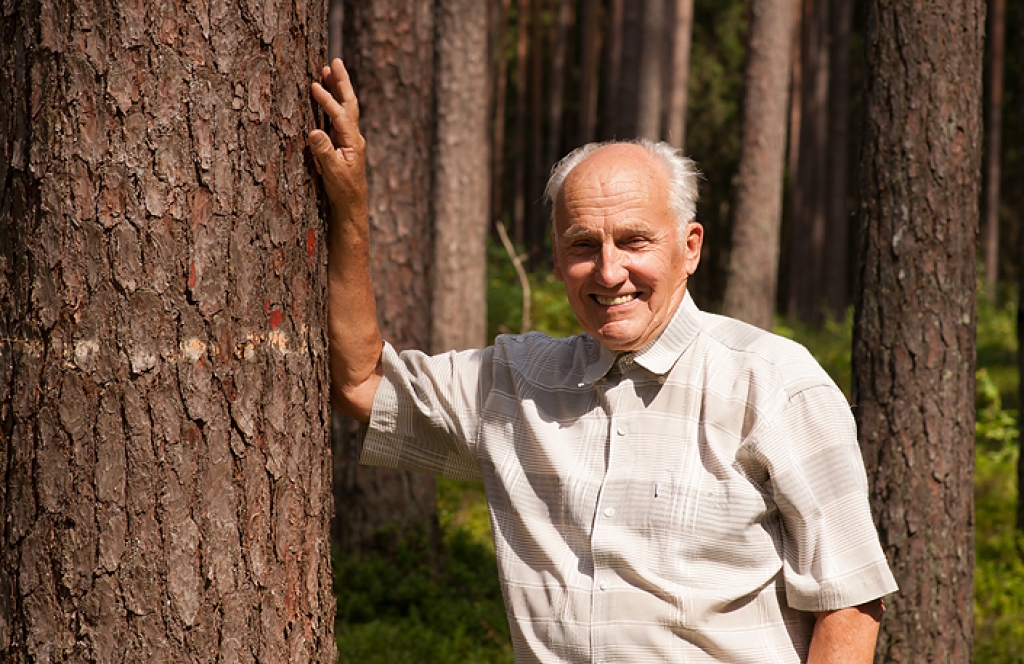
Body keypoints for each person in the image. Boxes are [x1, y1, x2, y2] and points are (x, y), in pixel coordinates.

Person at [309, 59, 898, 663]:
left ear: (689, 247)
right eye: (584, 245)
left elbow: (849, 602)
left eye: (635, 241)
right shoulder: (513, 382)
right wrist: (349, 205)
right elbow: (359, 381)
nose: (610, 271)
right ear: (559, 261)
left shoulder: (774, 383)